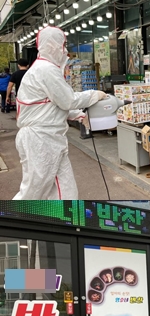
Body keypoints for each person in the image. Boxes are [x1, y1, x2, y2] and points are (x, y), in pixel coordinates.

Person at [13, 26, 107, 200]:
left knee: (65, 188)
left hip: (50, 139)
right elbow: (67, 100)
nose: (65, 51)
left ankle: (65, 215)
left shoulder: (44, 68)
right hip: (40, 140)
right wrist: (94, 95)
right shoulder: (45, 69)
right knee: (33, 192)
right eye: (62, 45)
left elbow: (51, 105)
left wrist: (78, 115)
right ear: (52, 46)